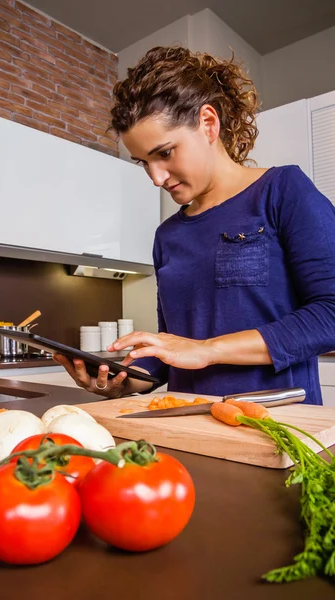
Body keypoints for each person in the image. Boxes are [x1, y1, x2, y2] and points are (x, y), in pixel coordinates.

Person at [55, 46, 335, 405]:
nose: (156, 177)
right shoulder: (167, 236)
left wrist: (208, 350)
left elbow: (330, 314)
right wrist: (121, 383)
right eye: (143, 162)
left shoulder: (283, 192)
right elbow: (174, 352)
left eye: (165, 153)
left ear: (207, 123)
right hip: (187, 428)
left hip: (277, 428)